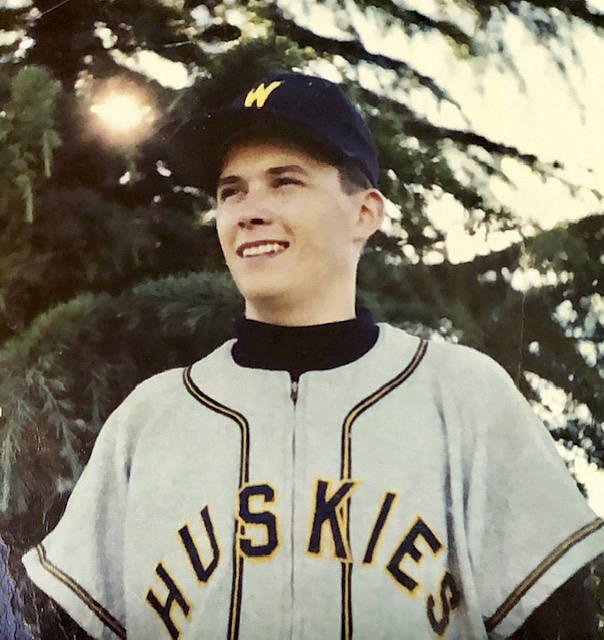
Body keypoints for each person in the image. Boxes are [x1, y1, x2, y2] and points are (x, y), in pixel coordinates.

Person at [23, 72, 603, 639]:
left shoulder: (465, 398)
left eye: (286, 181)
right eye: (232, 190)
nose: (249, 210)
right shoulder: (149, 421)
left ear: (364, 214)